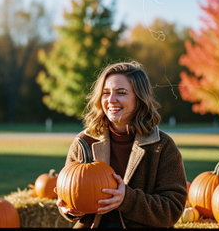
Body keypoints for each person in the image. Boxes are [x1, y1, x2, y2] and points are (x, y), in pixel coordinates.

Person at [56, 61, 188, 228]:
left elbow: (172, 209)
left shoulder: (162, 146)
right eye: (105, 93)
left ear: (139, 98)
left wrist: (127, 199)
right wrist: (70, 209)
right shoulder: (84, 142)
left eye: (121, 92)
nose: (111, 100)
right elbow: (69, 192)